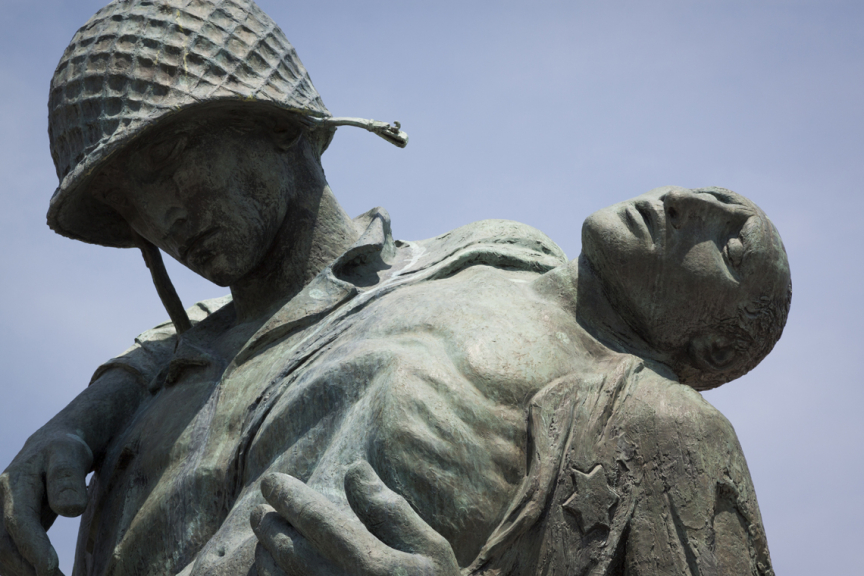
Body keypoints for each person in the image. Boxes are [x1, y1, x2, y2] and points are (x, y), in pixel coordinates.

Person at [0, 1, 791, 575]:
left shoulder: (536, 312)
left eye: (174, 162)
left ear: (281, 125)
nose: (162, 215)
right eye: (132, 200)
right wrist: (86, 412)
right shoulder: (151, 389)